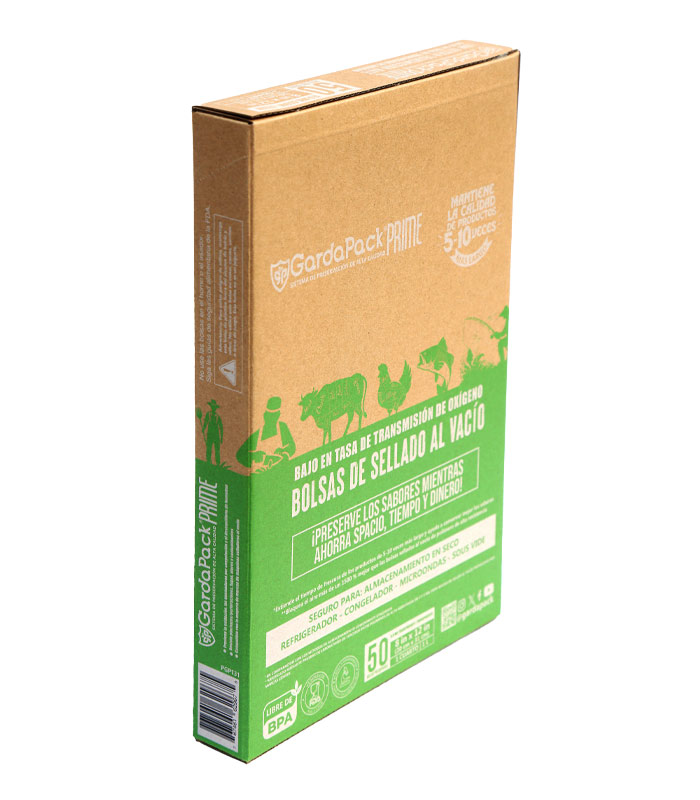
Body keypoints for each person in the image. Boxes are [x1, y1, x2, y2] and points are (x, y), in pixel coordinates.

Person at [236, 396, 296, 471]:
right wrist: (254, 456)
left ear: (278, 415)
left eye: (274, 416)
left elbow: (292, 446)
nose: (272, 419)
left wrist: (284, 452)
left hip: (280, 471)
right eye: (269, 416)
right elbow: (240, 455)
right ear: (265, 416)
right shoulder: (257, 434)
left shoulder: (282, 427)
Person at [201, 399, 224, 465]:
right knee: (209, 448)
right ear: (211, 407)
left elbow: (221, 427)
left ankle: (218, 463)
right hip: (210, 434)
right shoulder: (208, 414)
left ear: (215, 408)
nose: (213, 408)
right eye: (212, 407)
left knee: (217, 449)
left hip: (216, 435)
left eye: (214, 407)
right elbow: (205, 422)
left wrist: (221, 437)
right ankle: (208, 462)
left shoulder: (217, 416)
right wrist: (203, 428)